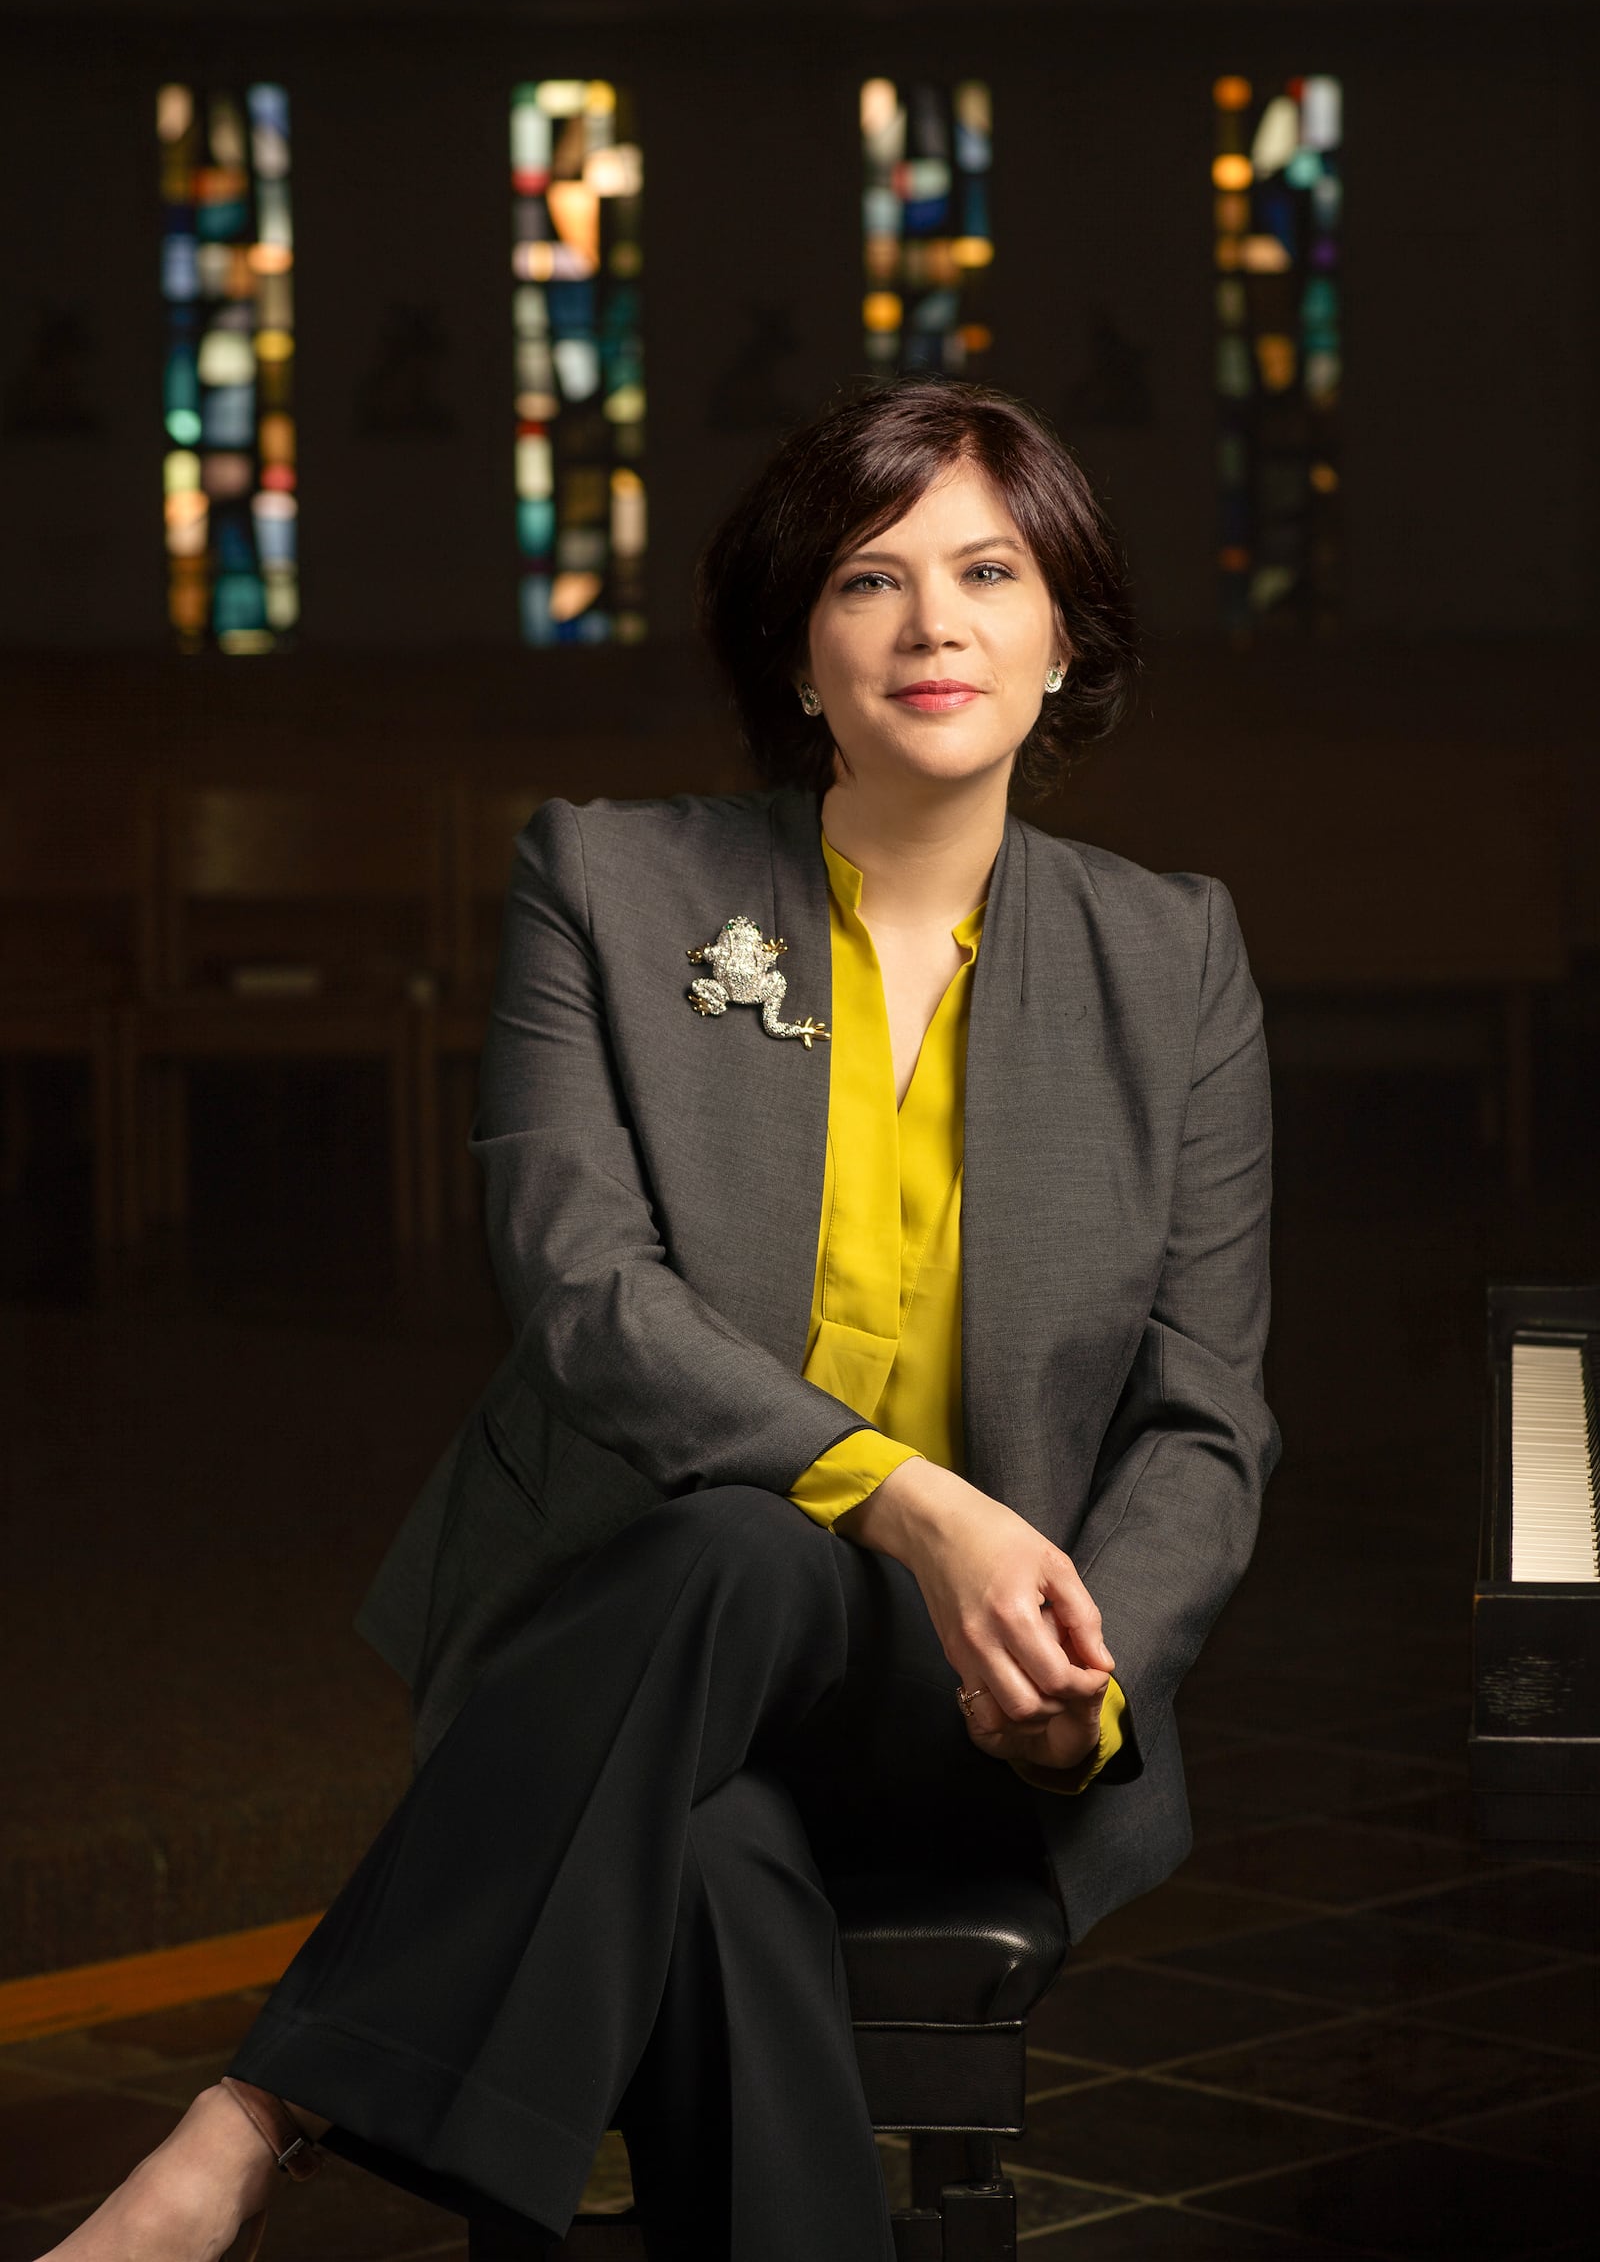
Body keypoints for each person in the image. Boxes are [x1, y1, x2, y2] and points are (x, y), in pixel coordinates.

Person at [46, 378, 1280, 2262]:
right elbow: (578, 1292)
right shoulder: (613, 883)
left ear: (1064, 644)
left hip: (980, 1690)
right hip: (635, 1622)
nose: (932, 624)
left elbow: (1203, 1414)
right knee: (723, 1680)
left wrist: (1086, 1679)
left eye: (987, 572)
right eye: (870, 580)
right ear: (800, 650)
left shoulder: (1172, 952)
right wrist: (906, 1498)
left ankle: (255, 2112)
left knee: (745, 1577)